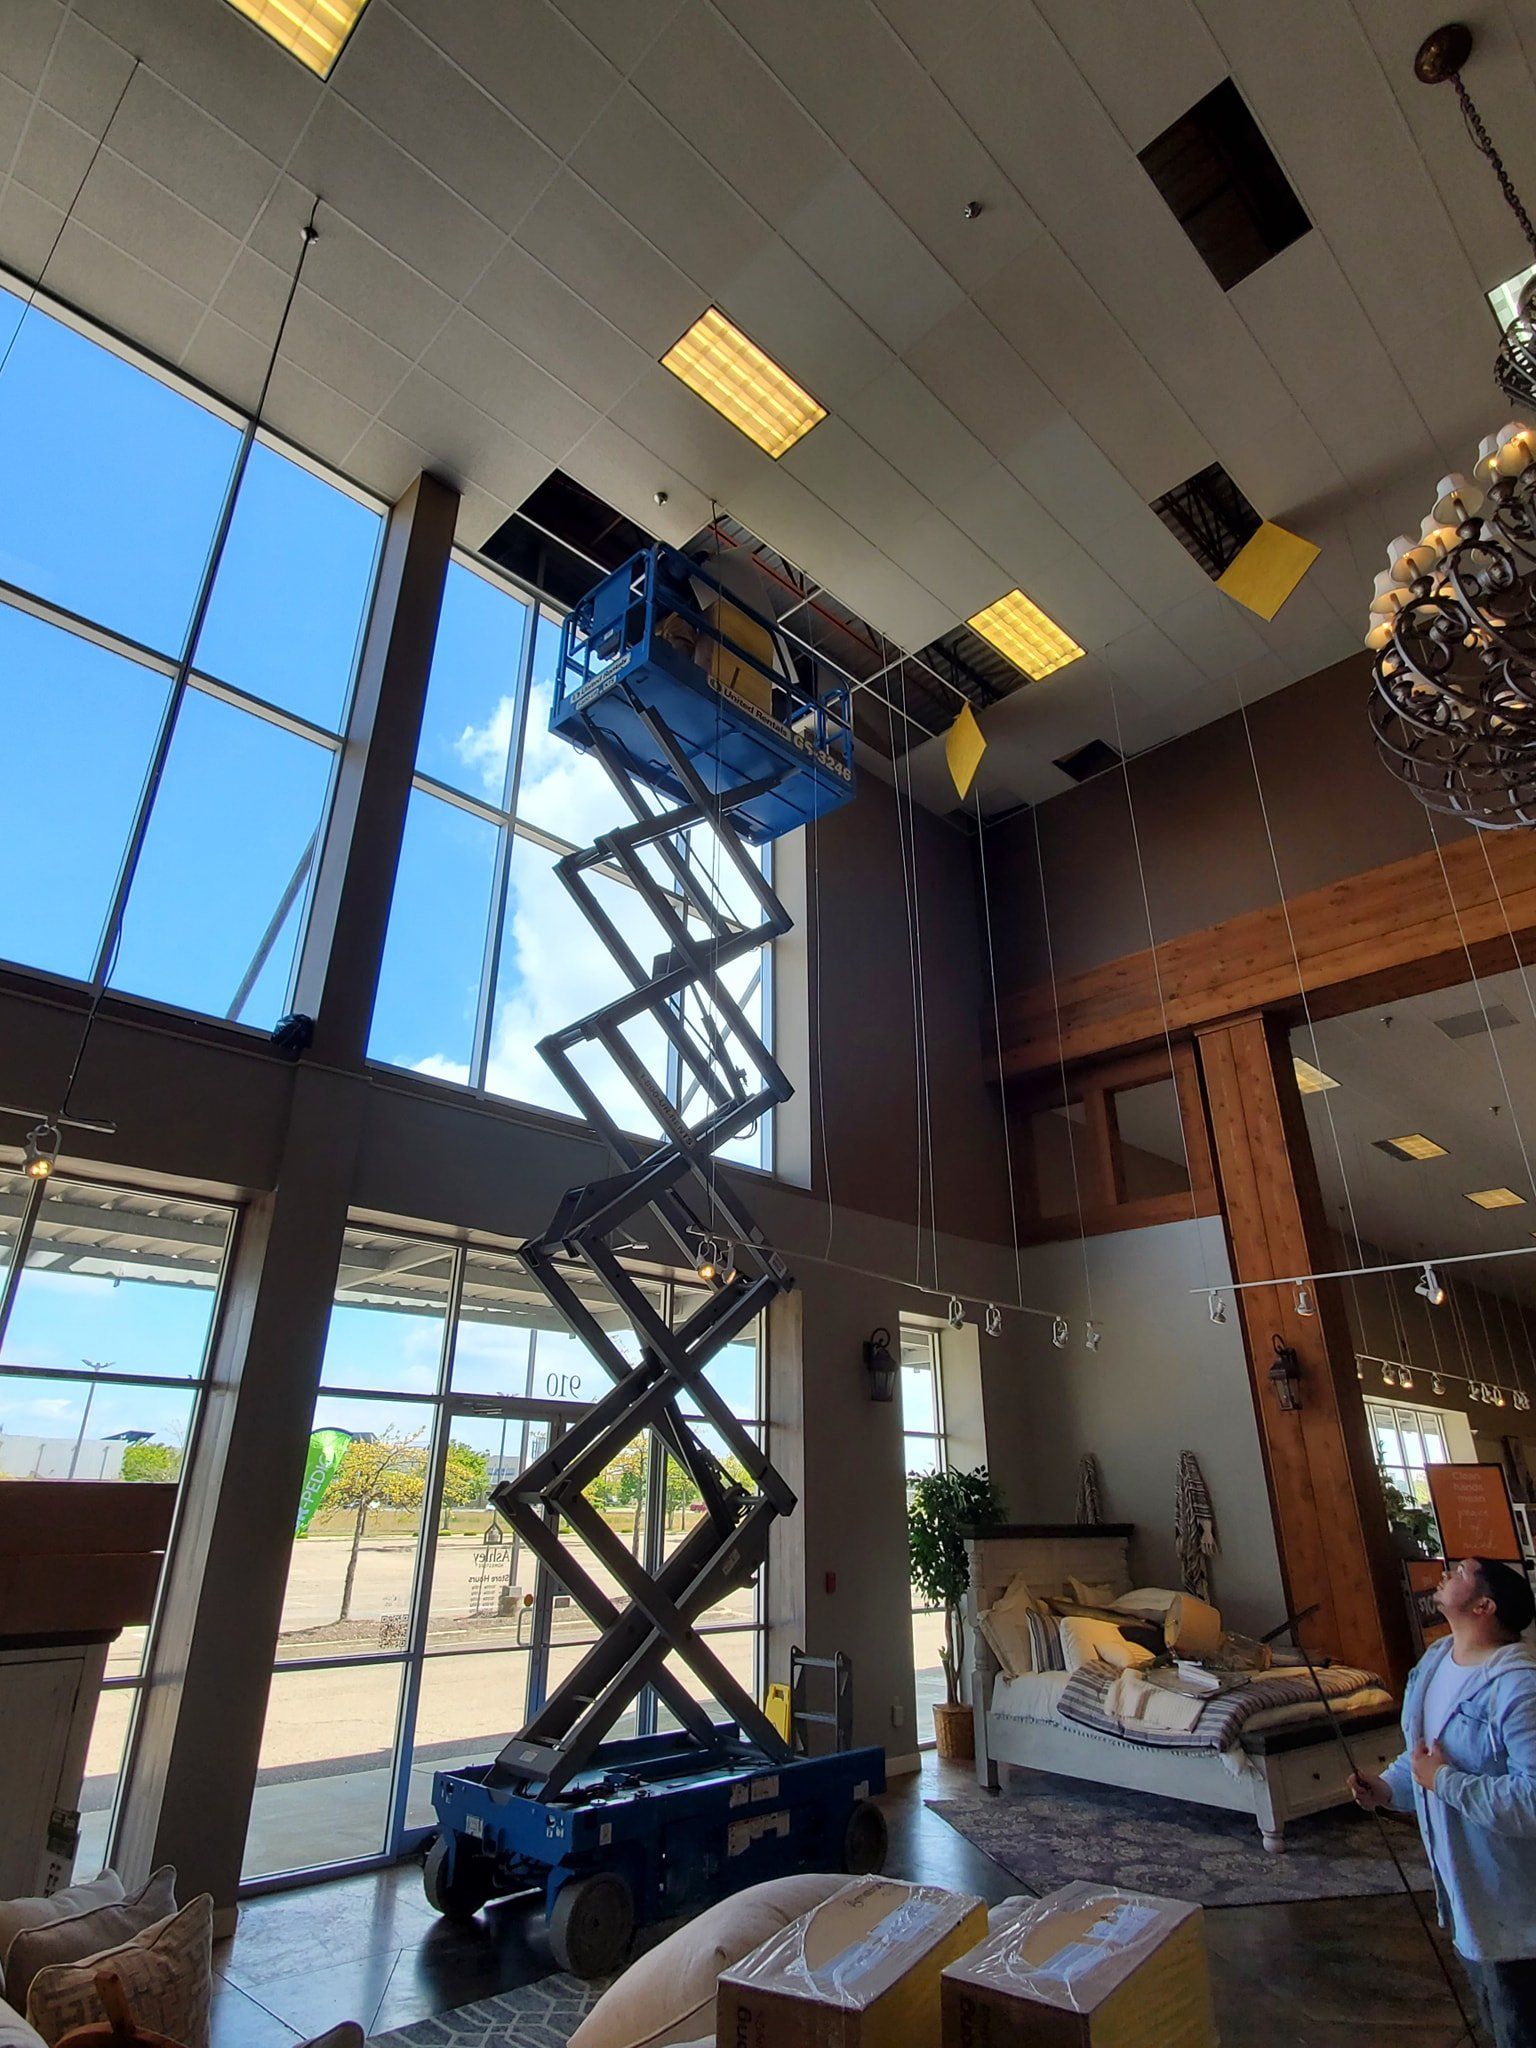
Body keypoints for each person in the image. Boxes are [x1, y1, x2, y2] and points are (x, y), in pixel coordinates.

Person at [1351, 1555, 1536, 2047]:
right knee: (1496, 2020)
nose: (1445, 1573)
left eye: (1461, 1572)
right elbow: (1422, 1756)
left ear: (1484, 1605)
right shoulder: (1434, 1663)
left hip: (1517, 1900)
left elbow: (1533, 1801)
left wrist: (1445, 1781)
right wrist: (1389, 1787)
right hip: (1465, 1891)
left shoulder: (1518, 1687)